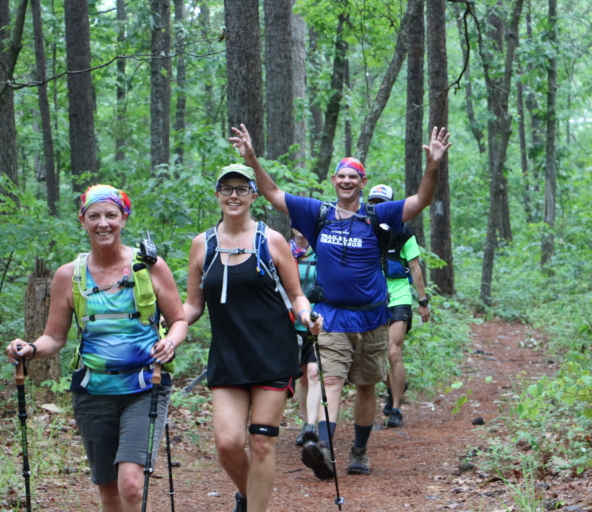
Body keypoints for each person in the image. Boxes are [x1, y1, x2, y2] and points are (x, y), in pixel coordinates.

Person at [228, 124, 451, 478]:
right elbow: (272, 193)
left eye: (354, 176)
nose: (347, 181)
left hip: (373, 318)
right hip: (332, 316)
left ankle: (359, 451)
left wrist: (433, 166)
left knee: (365, 385)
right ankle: (324, 452)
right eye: (341, 176)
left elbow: (421, 200)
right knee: (329, 380)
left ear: (363, 183)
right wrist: (251, 158)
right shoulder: (318, 215)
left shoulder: (379, 216)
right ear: (333, 180)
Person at [6, 184, 188, 512]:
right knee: (108, 491)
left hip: (146, 386)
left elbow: (179, 320)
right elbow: (55, 338)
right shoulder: (68, 276)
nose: (103, 223)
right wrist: (30, 349)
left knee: (131, 483)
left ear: (124, 219)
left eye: (111, 215)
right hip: (92, 392)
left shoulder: (149, 266)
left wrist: (170, 342)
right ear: (82, 220)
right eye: (94, 216)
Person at [182, 163, 322, 512]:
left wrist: (306, 315)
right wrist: (169, 330)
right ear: (217, 195)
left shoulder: (271, 241)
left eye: (241, 189)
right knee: (228, 443)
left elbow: (296, 295)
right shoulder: (203, 245)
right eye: (227, 189)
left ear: (253, 196)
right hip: (228, 356)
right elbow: (192, 305)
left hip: (272, 353)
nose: (233, 195)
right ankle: (250, 495)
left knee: (261, 442)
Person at [367, 184, 430, 428]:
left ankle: (395, 408)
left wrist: (423, 301)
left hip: (399, 296)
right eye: (373, 202)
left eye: (383, 202)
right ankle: (393, 387)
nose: (378, 207)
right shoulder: (364, 231)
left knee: (394, 352)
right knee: (378, 356)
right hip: (372, 299)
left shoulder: (404, 231)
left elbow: (414, 266)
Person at [291, 228, 322, 446]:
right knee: (301, 376)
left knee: (314, 372)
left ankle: (313, 425)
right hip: (291, 322)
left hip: (318, 320)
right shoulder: (284, 252)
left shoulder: (320, 250)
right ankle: (305, 423)